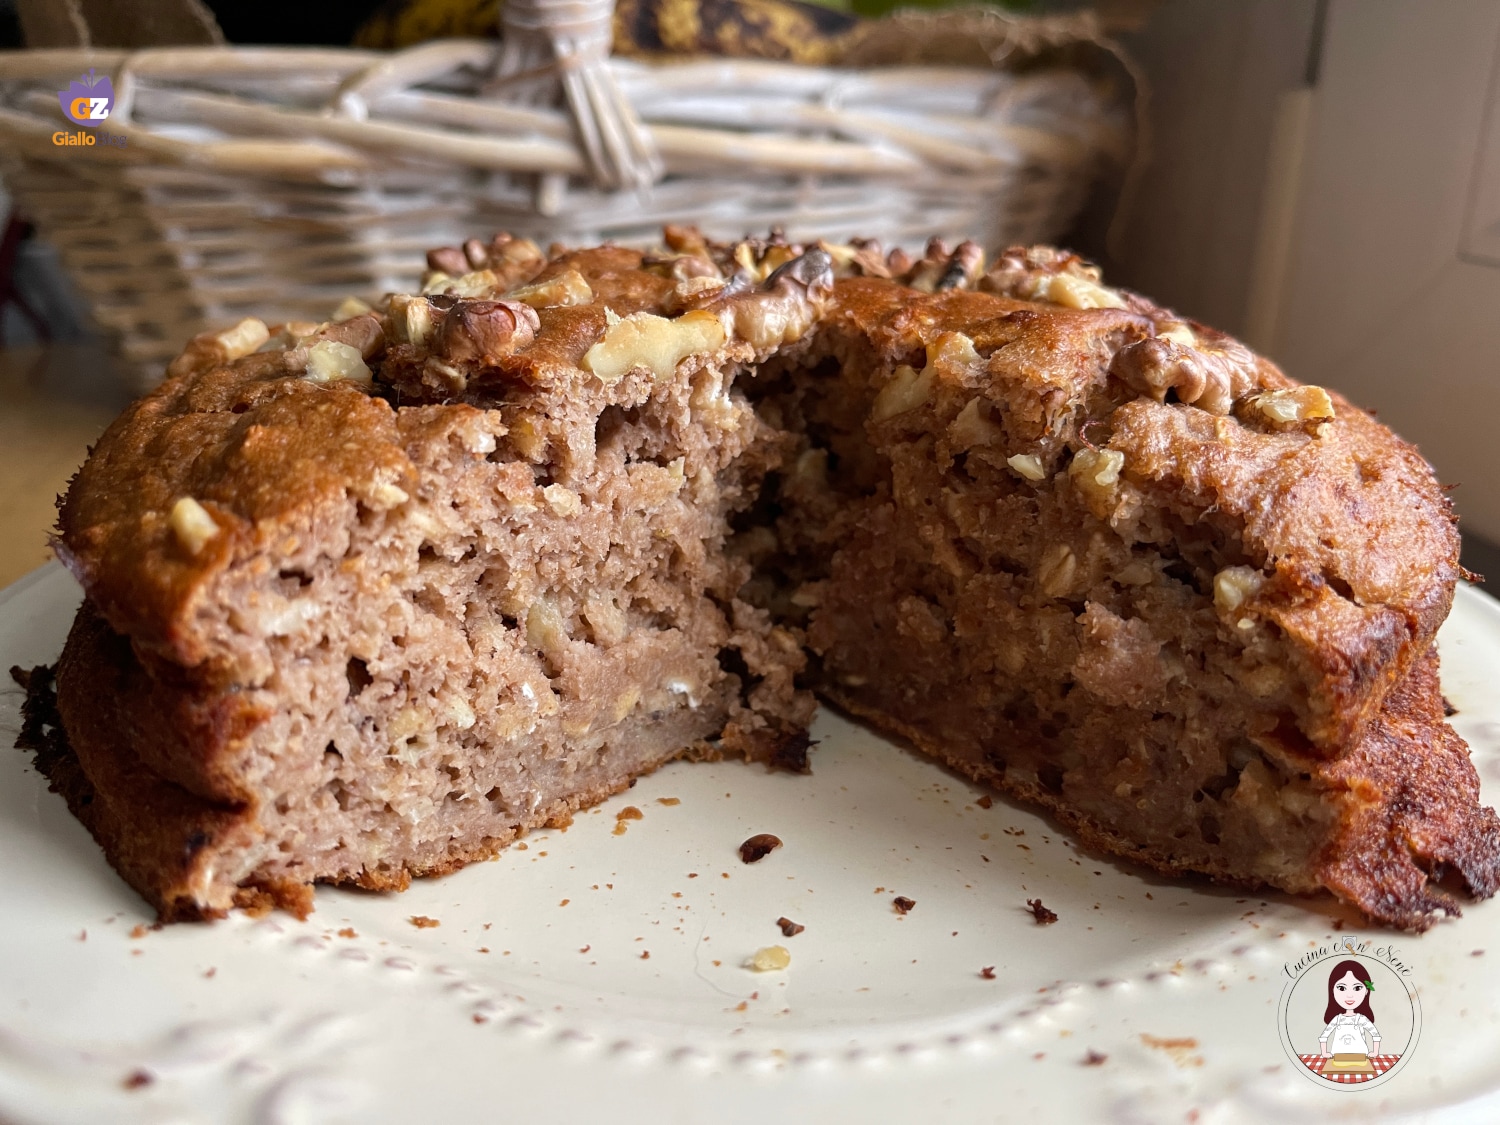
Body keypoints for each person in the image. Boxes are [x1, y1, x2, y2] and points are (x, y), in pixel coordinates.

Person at [1318, 959, 1381, 1072]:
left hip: (1361, 1058)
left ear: (1366, 991)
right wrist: (1324, 1052)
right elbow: (1324, 1036)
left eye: (1357, 988)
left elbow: (1375, 1034)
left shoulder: (1361, 1019)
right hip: (1338, 1058)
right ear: (1332, 990)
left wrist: (1375, 1052)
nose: (1350, 995)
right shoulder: (1337, 1019)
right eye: (1341, 988)